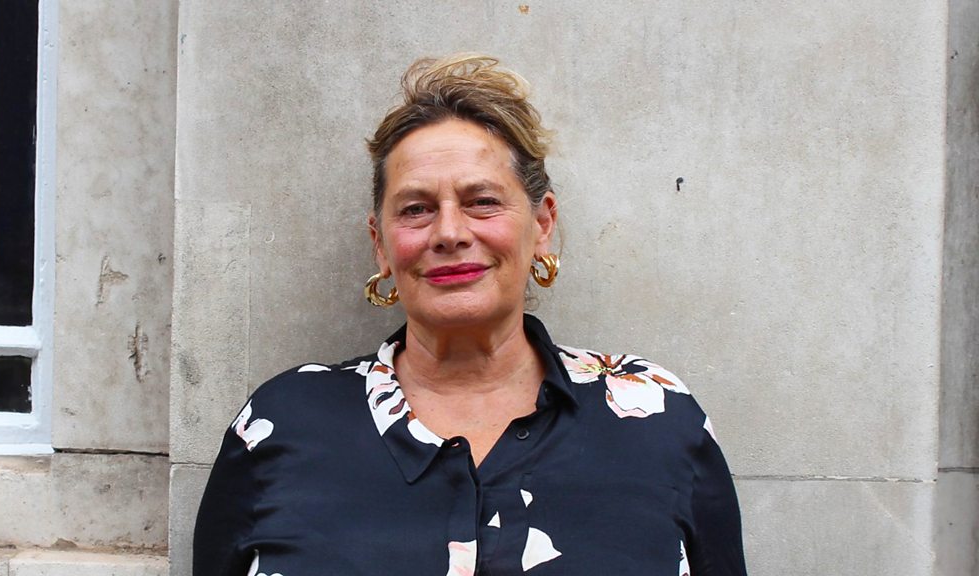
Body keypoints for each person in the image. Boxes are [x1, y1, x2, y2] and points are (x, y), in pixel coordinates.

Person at [193, 54, 747, 576]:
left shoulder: (656, 418)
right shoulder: (282, 425)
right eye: (416, 209)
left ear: (542, 224)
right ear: (381, 244)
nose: (450, 233)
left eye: (482, 201)